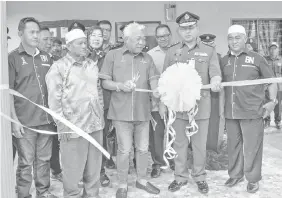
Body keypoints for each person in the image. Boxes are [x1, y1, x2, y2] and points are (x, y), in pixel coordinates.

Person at [160, 11, 222, 194]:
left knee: (199, 145)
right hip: (178, 107)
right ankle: (180, 177)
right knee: (179, 143)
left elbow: (215, 73)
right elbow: (165, 79)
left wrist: (217, 80)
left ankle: (200, 176)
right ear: (179, 31)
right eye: (184, 28)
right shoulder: (172, 52)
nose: (188, 32)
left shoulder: (209, 51)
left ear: (197, 29)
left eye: (191, 28)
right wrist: (164, 103)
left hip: (201, 107)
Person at [100, 22, 161, 198]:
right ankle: (122, 183)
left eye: (143, 38)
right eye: (138, 39)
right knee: (124, 150)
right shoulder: (112, 55)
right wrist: (119, 86)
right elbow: (105, 82)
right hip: (121, 113)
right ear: (126, 39)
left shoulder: (147, 58)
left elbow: (153, 79)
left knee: (142, 149)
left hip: (142, 112)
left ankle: (141, 180)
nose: (142, 42)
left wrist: (156, 89)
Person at [46, 28, 104, 198]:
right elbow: (54, 100)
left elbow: (98, 91)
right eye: (80, 43)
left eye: (85, 43)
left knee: (94, 168)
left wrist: (100, 116)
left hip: (95, 125)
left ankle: (92, 194)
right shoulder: (59, 68)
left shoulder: (92, 65)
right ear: (69, 46)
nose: (84, 46)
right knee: (73, 170)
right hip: (72, 128)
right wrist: (62, 125)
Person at [221, 25, 277, 193]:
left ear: (245, 39)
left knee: (252, 147)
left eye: (238, 37)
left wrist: (272, 102)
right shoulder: (224, 61)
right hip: (231, 112)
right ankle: (235, 175)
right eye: (230, 38)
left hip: (252, 111)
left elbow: (271, 81)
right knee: (233, 146)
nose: (234, 41)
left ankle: (252, 179)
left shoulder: (257, 59)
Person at [9, 17, 57, 198]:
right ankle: (23, 194)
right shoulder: (12, 58)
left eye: (38, 32)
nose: (36, 35)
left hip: (46, 120)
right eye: (32, 32)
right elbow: (8, 92)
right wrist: (14, 121)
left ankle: (43, 192)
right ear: (20, 33)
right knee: (26, 162)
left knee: (44, 160)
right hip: (24, 121)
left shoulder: (47, 57)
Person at [87, 25, 115, 188]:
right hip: (84, 106)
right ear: (88, 38)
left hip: (103, 103)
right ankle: (86, 172)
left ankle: (101, 171)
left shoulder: (108, 56)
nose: (97, 38)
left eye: (99, 35)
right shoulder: (81, 55)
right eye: (93, 35)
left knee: (101, 138)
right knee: (85, 139)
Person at [147, 24, 176, 178]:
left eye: (166, 35)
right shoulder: (149, 55)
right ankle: (157, 163)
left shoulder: (179, 52)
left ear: (170, 35)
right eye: (159, 36)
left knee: (175, 132)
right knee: (157, 134)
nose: (163, 38)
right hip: (156, 102)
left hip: (177, 102)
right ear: (156, 38)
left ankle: (173, 160)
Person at [37, 26, 63, 182]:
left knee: (53, 144)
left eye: (50, 40)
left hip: (52, 111)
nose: (49, 43)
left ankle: (56, 170)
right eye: (45, 40)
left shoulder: (52, 60)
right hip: (34, 112)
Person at [264, 42, 282, 129]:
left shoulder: (281, 60)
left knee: (278, 105)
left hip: (279, 87)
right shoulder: (264, 60)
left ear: (278, 50)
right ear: (269, 50)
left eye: (275, 48)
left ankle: (277, 121)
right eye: (271, 48)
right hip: (268, 87)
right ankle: (267, 121)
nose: (273, 50)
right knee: (267, 103)